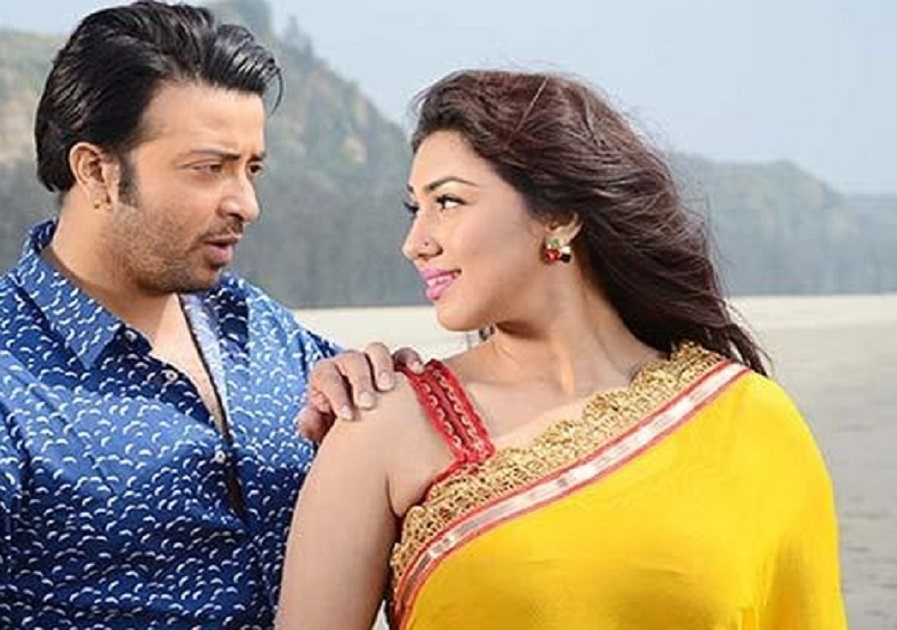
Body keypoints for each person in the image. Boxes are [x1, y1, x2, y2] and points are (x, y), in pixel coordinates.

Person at [0, 3, 399, 627]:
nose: (246, 203)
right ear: (97, 171)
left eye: (252, 169)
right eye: (209, 168)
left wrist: (378, 386)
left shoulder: (265, 336)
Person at [277, 69, 847, 629]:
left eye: (447, 202)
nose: (415, 243)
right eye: (414, 208)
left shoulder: (747, 420)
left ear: (560, 215)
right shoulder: (382, 423)